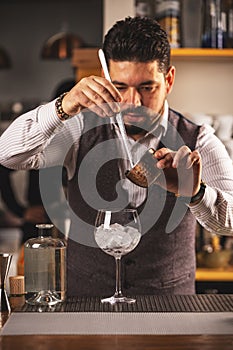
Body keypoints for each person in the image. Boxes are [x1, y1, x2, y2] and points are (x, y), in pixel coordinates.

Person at [0, 17, 233, 297]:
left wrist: (195, 193)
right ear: (106, 77)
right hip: (86, 305)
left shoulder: (198, 140)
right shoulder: (79, 129)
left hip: (170, 309)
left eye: (147, 87)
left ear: (168, 80)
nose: (133, 102)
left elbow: (229, 223)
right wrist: (62, 107)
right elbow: (7, 155)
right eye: (120, 87)